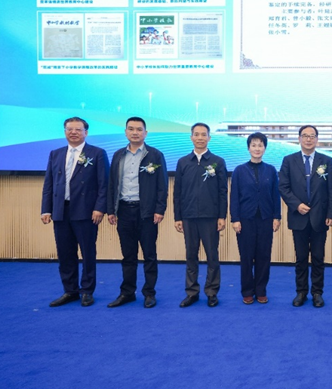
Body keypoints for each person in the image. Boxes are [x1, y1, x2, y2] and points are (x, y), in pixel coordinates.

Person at [42, 117, 109, 307]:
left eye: (78, 129)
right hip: (60, 211)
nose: (73, 132)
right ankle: (70, 290)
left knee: (87, 252)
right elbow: (48, 184)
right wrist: (46, 209)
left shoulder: (97, 153)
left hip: (86, 211)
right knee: (65, 253)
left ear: (85, 132)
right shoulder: (55, 154)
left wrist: (99, 208)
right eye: (69, 129)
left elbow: (104, 184)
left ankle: (87, 290)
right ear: (65, 132)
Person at [106, 117, 168, 308]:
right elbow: (112, 184)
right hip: (124, 210)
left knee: (149, 254)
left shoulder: (155, 155)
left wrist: (159, 209)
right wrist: (111, 210)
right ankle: (127, 293)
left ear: (145, 133)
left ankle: (149, 293)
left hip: (146, 212)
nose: (135, 133)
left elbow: (162, 185)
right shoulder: (118, 155)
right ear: (126, 132)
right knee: (128, 255)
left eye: (139, 129)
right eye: (131, 129)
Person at [279, 125, 332, 308]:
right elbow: (283, 187)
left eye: (312, 136)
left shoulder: (327, 161)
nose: (308, 139)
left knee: (318, 258)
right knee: (301, 258)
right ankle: (301, 292)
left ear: (317, 139)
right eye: (305, 136)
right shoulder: (289, 160)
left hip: (320, 217)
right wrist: (297, 205)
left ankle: (317, 293)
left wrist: (331, 214)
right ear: (299, 139)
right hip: (299, 217)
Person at [173, 123, 228, 308]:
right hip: (188, 216)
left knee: (212, 256)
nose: (200, 138)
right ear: (191, 137)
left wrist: (222, 216)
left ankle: (212, 292)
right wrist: (177, 217)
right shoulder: (183, 162)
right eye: (196, 134)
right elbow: (177, 192)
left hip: (210, 217)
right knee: (191, 256)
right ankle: (192, 292)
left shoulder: (218, 162)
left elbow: (222, 191)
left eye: (203, 134)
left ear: (209, 138)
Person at [231, 132, 281, 305]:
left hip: (266, 219)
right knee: (246, 257)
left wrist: (277, 216)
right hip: (245, 220)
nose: (257, 148)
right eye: (254, 145)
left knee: (263, 256)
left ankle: (261, 291)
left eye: (260, 145)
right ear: (248, 148)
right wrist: (235, 219)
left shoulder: (271, 170)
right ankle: (247, 291)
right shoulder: (239, 170)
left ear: (265, 148)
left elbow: (275, 195)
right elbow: (234, 196)